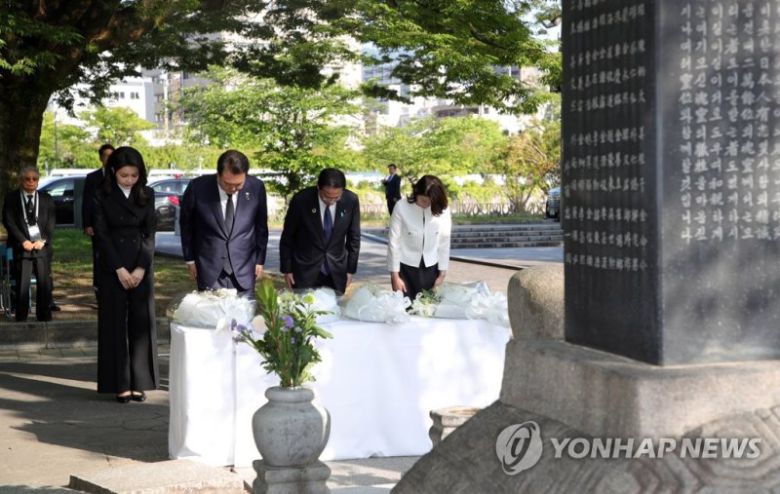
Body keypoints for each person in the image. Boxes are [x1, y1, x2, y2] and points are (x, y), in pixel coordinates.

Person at [93, 146, 158, 403]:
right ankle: (118, 382)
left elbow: (150, 232)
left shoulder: (147, 194)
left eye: (134, 175)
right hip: (112, 264)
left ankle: (140, 381)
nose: (129, 180)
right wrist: (119, 268)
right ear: (113, 172)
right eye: (124, 175)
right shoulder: (101, 194)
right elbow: (101, 235)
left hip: (141, 262)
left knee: (141, 323)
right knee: (114, 323)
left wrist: (141, 267)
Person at [179, 150, 268, 297]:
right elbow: (186, 225)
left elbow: (261, 226)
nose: (232, 189)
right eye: (227, 184)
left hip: (244, 268)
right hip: (209, 267)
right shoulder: (197, 187)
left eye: (238, 184)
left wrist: (259, 260)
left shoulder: (256, 187)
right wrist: (190, 259)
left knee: (245, 311)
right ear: (218, 174)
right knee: (211, 311)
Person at [280, 168, 361, 295]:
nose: (331, 201)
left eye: (336, 197)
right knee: (304, 306)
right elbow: (288, 236)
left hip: (336, 270)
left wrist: (350, 270)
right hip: (305, 270)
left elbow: (354, 237)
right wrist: (287, 269)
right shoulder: (301, 200)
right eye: (327, 197)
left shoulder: (351, 200)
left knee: (335, 306)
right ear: (318, 187)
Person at [2, 165, 56, 322]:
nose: (31, 182)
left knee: (44, 283)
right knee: (22, 284)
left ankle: (44, 316)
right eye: (27, 179)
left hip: (41, 247)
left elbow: (51, 222)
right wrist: (23, 240)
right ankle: (21, 317)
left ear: (38, 180)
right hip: (22, 248)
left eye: (34, 179)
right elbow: (9, 221)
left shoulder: (46, 199)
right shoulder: (11, 198)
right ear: (21, 180)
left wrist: (42, 240)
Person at [387, 175, 452, 302]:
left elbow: (444, 241)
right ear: (416, 192)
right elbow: (394, 242)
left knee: (428, 307)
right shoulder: (401, 206)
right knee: (405, 307)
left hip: (431, 267)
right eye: (422, 200)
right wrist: (395, 276)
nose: (425, 205)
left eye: (429, 202)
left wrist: (442, 273)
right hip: (405, 267)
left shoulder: (443, 209)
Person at [82, 143, 114, 298]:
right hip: (97, 225)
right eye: (106, 156)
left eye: (111, 156)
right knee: (99, 256)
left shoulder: (120, 175)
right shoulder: (92, 177)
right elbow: (86, 202)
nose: (109, 159)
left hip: (116, 225)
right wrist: (87, 224)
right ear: (101, 158)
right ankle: (99, 290)